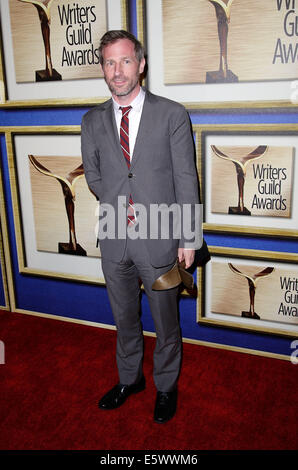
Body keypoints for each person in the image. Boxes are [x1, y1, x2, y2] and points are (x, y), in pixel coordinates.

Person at [81, 30, 202, 423]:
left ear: (141, 64)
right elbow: (94, 177)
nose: (118, 71)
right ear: (103, 68)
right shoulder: (91, 120)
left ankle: (166, 387)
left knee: (167, 324)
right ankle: (129, 379)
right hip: (115, 238)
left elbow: (186, 178)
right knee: (124, 319)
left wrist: (189, 236)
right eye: (110, 63)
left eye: (125, 61)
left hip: (161, 239)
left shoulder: (172, 114)